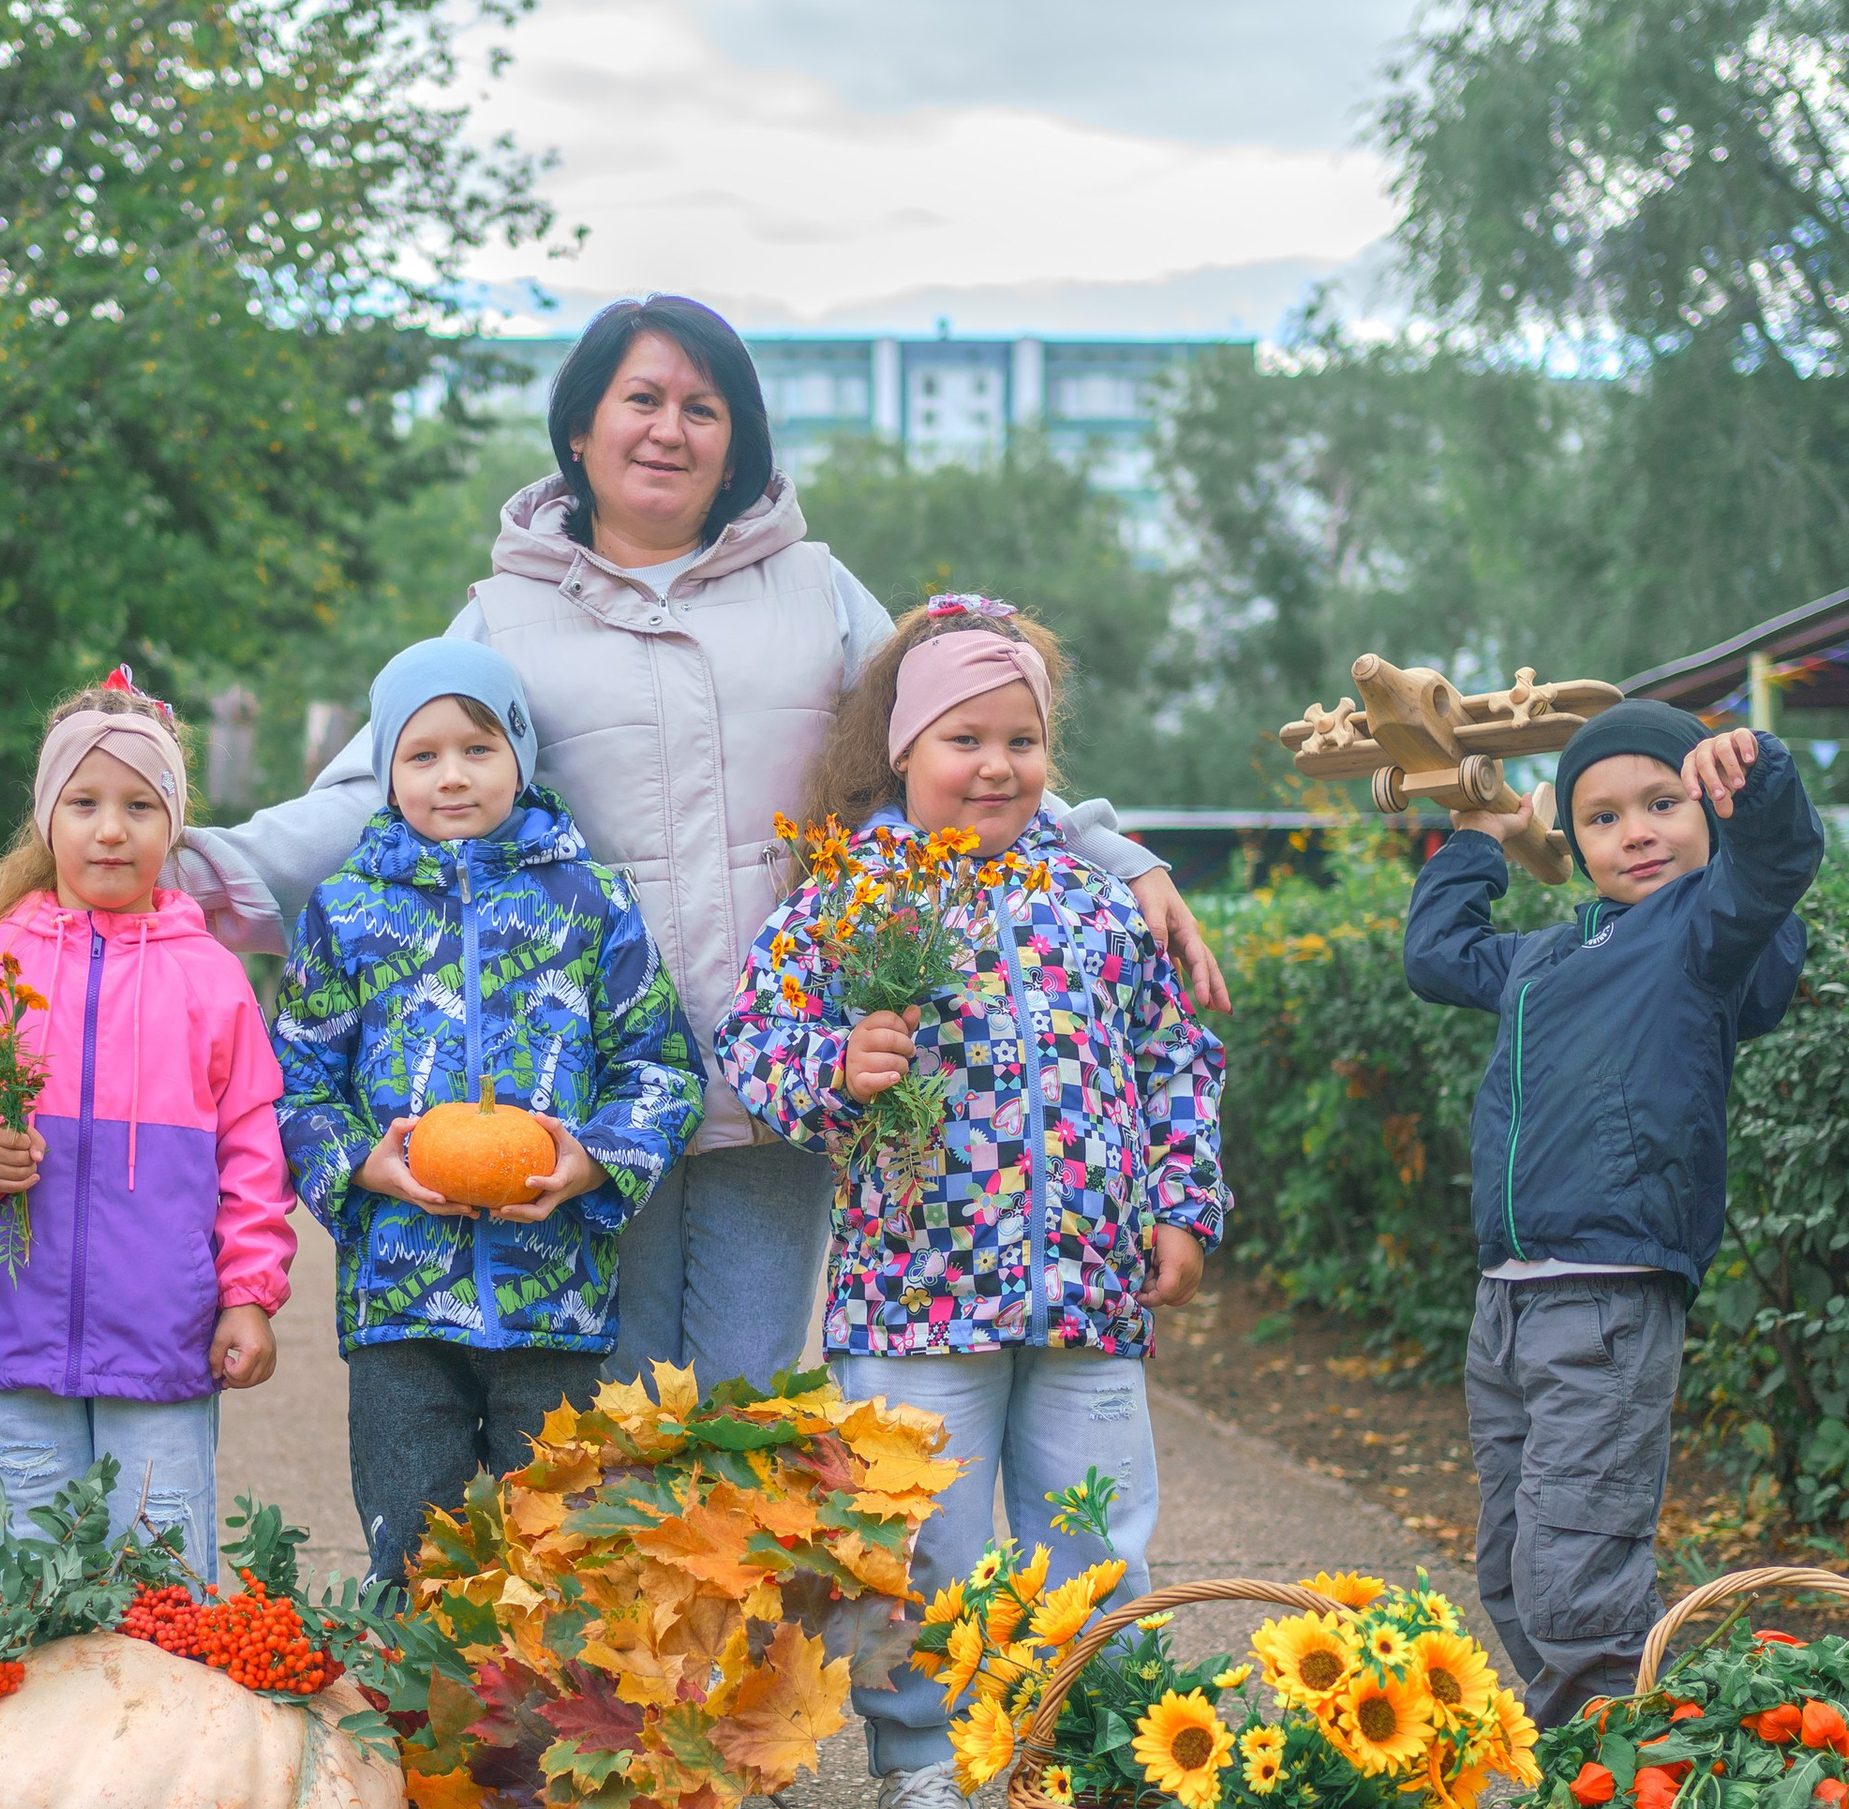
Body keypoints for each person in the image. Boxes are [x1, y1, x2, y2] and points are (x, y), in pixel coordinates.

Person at [181, 296, 1230, 1396]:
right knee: (612, 1413)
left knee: (742, 1404)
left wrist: (1115, 855)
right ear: (579, 429)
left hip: (774, 1076)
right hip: (587, 1086)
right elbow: (371, 787)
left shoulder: (815, 591)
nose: (668, 429)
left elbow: (957, 745)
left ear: (738, 443)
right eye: (640, 399)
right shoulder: (503, 615)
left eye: (702, 407)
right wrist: (179, 865)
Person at [714, 599, 1227, 1809]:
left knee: (1093, 1539)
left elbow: (1173, 1059)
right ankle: (923, 1773)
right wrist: (840, 1063)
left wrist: (1178, 1201)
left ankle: (1095, 1763)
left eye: (1022, 739)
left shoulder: (1098, 899)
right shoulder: (852, 894)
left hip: (1090, 1294)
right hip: (914, 1299)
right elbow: (758, 1050)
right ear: (902, 748)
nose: (995, 765)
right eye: (963, 737)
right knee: (922, 1548)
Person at [1405, 703, 1822, 1728]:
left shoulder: (1704, 931)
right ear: (1574, 843)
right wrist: (1476, 837)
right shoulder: (1542, 957)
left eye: (1662, 803)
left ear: (1706, 814)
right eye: (1600, 817)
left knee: (1576, 1563)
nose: (1634, 831)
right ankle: (1582, 1748)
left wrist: (1751, 770)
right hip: (1505, 1297)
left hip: (1608, 1292)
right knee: (1510, 1563)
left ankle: (1617, 1775)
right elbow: (1437, 955)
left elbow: (1777, 862)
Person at [275, 639, 704, 1587]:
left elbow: (662, 1066)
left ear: (520, 754)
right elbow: (296, 1077)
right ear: (387, 772)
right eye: (420, 756)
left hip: (556, 1299)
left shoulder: (590, 901)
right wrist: (359, 1164)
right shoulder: (345, 910)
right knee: (411, 1552)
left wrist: (594, 1161)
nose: (452, 776)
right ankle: (414, 1733)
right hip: (399, 1302)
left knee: (557, 1558)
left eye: (478, 748)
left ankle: (545, 1730)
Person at [0, 680, 295, 1589]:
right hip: (12, 1350)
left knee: (163, 1610)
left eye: (140, 806)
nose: (111, 830)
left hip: (163, 1352)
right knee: (21, 1606)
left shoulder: (212, 980)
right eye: (85, 804)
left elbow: (253, 1155)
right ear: (47, 821)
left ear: (174, 826)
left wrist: (248, 1294)